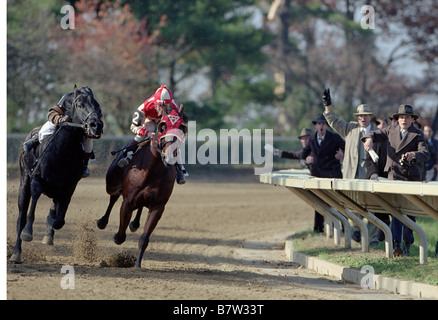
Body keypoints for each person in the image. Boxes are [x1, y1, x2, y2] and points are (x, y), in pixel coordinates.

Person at [363, 104, 430, 256]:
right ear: (397, 119)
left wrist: (414, 155)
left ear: (412, 119)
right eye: (401, 117)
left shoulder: (417, 134)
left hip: (410, 179)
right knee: (395, 212)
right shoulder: (390, 131)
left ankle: (407, 241)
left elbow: (425, 153)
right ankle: (396, 244)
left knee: (409, 214)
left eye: (407, 117)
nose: (404, 120)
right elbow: (374, 133)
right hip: (393, 178)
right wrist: (369, 140)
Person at [322, 88, 378, 242]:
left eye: (365, 115)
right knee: (353, 208)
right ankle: (358, 233)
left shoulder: (378, 132)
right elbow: (333, 120)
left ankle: (373, 239)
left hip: (369, 177)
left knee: (372, 209)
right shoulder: (350, 129)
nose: (362, 118)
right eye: (360, 115)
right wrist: (328, 106)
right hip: (351, 177)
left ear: (370, 117)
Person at [117, 85, 187, 184]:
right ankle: (128, 153)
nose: (163, 110)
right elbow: (133, 126)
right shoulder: (145, 106)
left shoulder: (174, 107)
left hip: (166, 123)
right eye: (160, 106)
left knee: (172, 139)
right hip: (150, 121)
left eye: (166, 106)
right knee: (144, 132)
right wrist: (148, 133)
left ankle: (180, 169)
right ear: (155, 103)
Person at [22, 92, 96, 177]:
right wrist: (59, 119)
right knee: (47, 127)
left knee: (88, 145)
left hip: (79, 128)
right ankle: (36, 138)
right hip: (62, 124)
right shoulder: (68, 97)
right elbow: (52, 112)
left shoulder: (90, 102)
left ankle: (84, 167)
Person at [300, 114, 345, 233]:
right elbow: (304, 152)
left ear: (327, 125)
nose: (321, 126)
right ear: (316, 125)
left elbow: (346, 148)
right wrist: (303, 160)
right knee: (319, 202)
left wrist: (342, 155)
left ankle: (345, 228)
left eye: (323, 123)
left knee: (338, 202)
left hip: (332, 174)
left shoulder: (334, 137)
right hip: (318, 174)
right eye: (319, 123)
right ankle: (318, 228)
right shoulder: (312, 138)